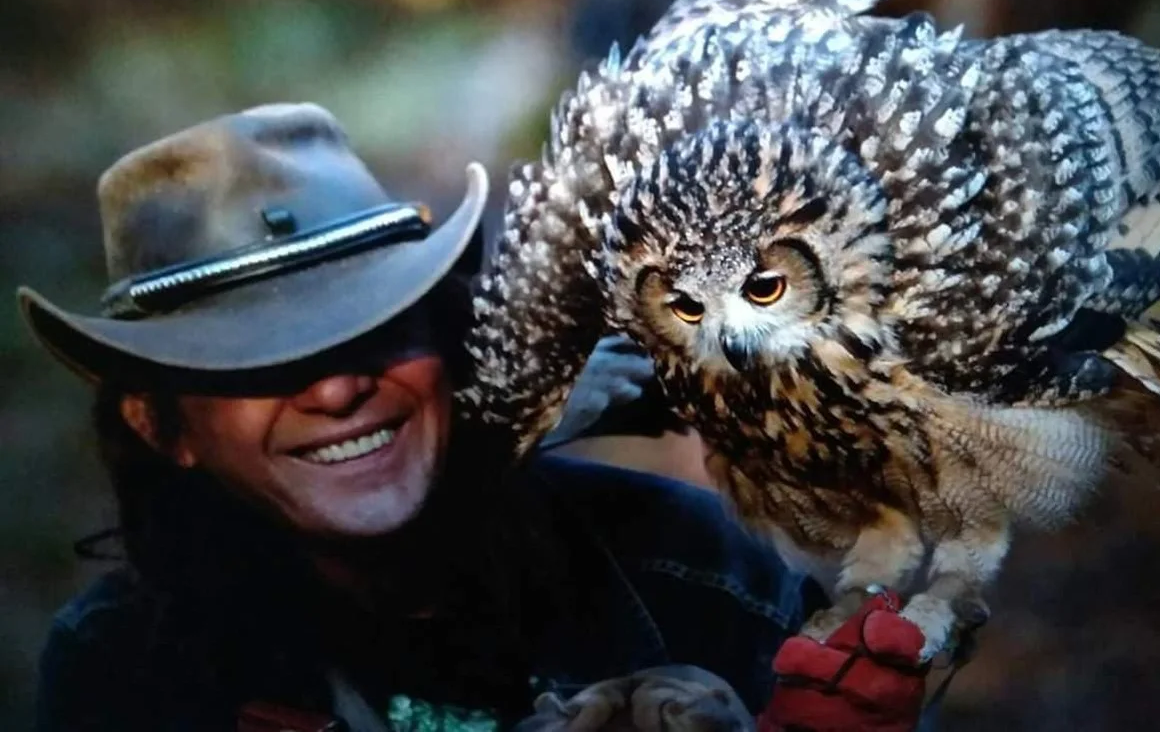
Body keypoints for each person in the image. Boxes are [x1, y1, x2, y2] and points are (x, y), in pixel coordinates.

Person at [20, 102, 931, 731]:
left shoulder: (692, 571)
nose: (336, 388)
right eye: (258, 362)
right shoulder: (124, 667)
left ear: (451, 343)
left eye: (374, 328)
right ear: (160, 425)